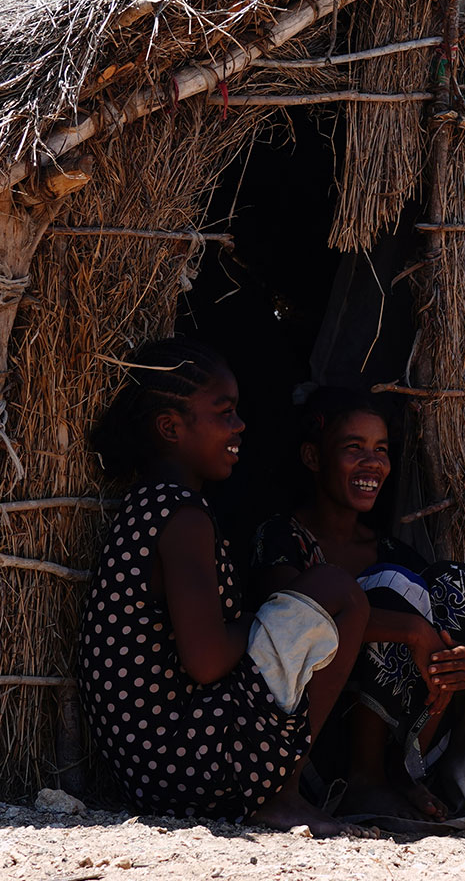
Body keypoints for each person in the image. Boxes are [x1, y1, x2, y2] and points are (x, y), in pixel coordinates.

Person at [76, 337, 369, 835]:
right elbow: (208, 660)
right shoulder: (181, 517)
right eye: (224, 412)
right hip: (183, 765)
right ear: (171, 428)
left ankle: (276, 790)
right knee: (338, 592)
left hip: (150, 768)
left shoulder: (150, 507)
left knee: (323, 596)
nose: (240, 425)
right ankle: (281, 793)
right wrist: (267, 620)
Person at [250, 388, 465, 824]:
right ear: (312, 458)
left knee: (454, 583)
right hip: (306, 738)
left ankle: (397, 773)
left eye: (381, 449)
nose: (373, 463)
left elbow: (437, 628)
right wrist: (410, 631)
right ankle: (363, 782)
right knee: (386, 591)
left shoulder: (388, 549)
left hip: (403, 737)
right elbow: (284, 621)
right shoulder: (280, 538)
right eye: (353, 448)